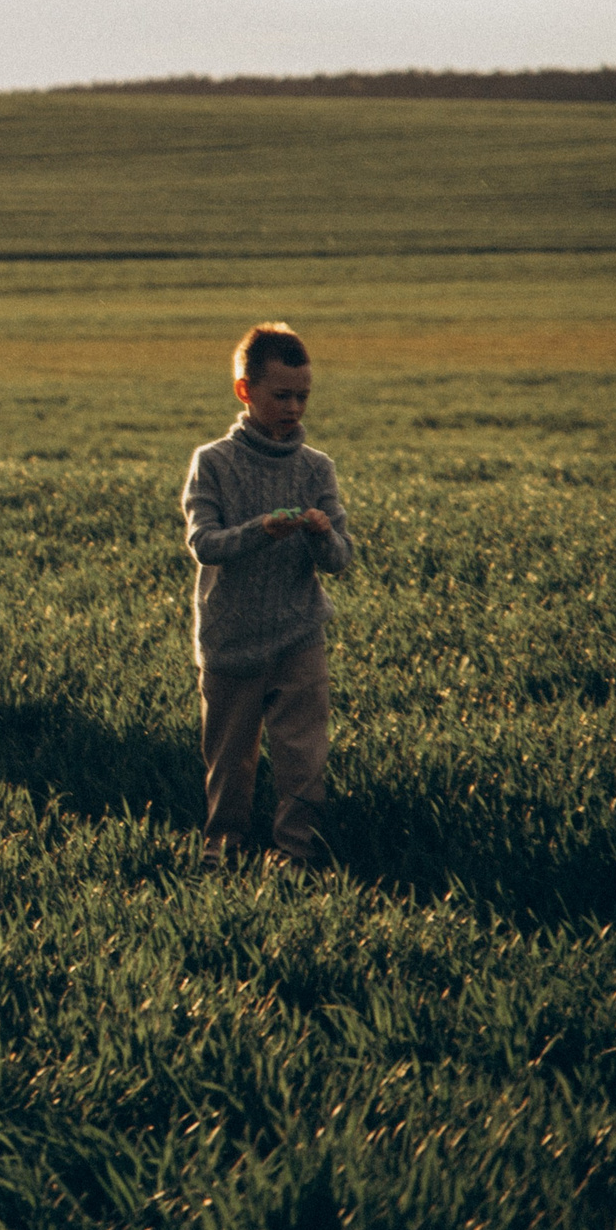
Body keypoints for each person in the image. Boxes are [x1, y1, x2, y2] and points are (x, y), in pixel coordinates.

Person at [182, 322, 355, 869]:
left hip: (299, 635)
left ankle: (297, 855)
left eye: (303, 396)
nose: (294, 408)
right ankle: (223, 851)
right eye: (281, 396)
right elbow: (203, 544)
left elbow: (341, 559)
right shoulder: (213, 462)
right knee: (230, 761)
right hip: (231, 637)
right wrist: (262, 530)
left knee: (303, 757)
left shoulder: (316, 467)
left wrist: (322, 533)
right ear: (245, 391)